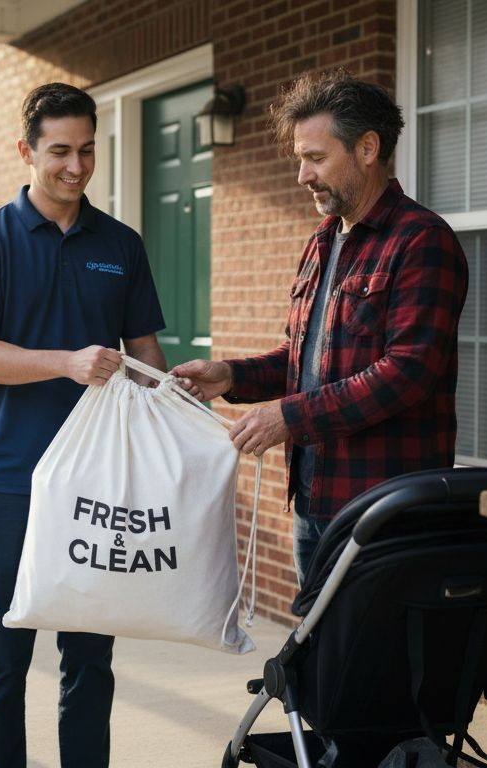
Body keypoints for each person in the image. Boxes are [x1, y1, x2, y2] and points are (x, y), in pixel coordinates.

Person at [172, 69, 468, 584]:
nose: (303, 175)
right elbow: (305, 359)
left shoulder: (421, 241)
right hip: (314, 499)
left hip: (384, 508)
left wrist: (288, 417)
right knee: (321, 660)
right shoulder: (323, 241)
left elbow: (407, 373)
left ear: (368, 148)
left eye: (316, 158)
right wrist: (230, 376)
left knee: (374, 661)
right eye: (300, 159)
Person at [0, 82, 167, 768]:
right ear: (27, 151)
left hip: (96, 484)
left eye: (88, 151)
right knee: (3, 661)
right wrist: (67, 363)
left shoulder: (121, 245)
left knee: (90, 664)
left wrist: (181, 416)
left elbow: (148, 360)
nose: (76, 166)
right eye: (60, 152)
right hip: (11, 479)